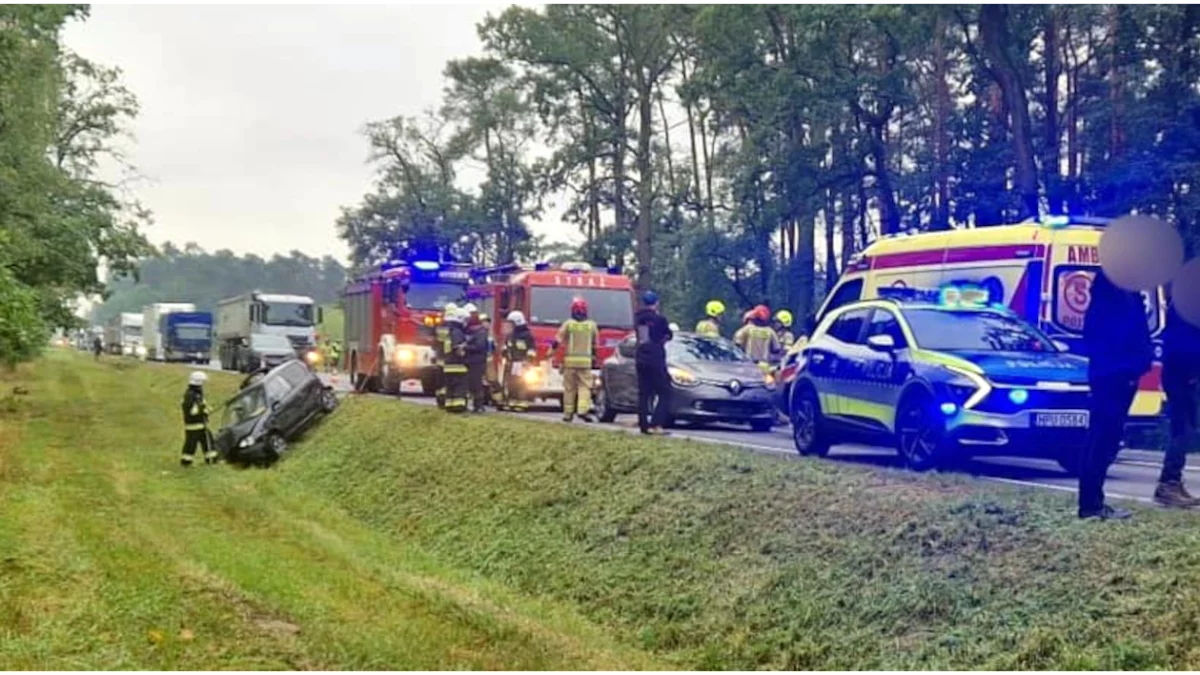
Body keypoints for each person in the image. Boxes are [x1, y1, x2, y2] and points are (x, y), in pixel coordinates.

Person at [1079, 269, 1153, 520]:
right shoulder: (1112, 291)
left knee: (1105, 437)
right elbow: (1109, 335)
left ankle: (1093, 502)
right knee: (1103, 437)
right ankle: (1091, 504)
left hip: (1117, 373)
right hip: (1114, 375)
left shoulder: (1122, 290)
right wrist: (1130, 366)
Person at [1156, 285, 1200, 507]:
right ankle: (1168, 483)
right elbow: (1185, 344)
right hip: (1181, 373)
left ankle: (1173, 481)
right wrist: (1191, 370)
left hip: (1182, 372)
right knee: (1182, 428)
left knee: (1186, 427)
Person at [553, 297, 599, 422]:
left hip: (570, 363)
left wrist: (550, 353)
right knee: (585, 387)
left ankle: (568, 414)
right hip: (585, 363)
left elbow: (557, 341)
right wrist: (595, 359)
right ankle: (582, 410)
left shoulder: (568, 324)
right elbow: (595, 345)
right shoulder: (591, 326)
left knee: (569, 388)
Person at [635, 290, 673, 435]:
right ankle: (657, 423)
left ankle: (643, 425)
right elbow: (668, 335)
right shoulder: (660, 319)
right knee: (665, 391)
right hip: (656, 358)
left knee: (644, 393)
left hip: (640, 358)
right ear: (656, 303)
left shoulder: (638, 318)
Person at [501, 310, 537, 411]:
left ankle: (521, 402)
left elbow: (532, 349)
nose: (509, 326)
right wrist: (504, 352)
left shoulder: (526, 335)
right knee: (511, 383)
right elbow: (507, 346)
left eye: (511, 323)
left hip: (521, 363)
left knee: (521, 383)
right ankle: (511, 401)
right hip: (511, 362)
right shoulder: (511, 335)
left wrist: (528, 360)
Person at [181, 371, 219, 467]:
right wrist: (202, 409)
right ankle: (186, 462)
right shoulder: (190, 395)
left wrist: (206, 410)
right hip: (194, 425)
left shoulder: (196, 394)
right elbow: (193, 411)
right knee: (191, 445)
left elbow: (201, 407)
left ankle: (211, 460)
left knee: (208, 441)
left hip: (201, 424)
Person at [734, 305, 780, 371]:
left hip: (748, 364)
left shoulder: (747, 329)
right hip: (764, 366)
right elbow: (776, 349)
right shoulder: (770, 332)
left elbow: (737, 344)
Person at [442, 306, 469, 413]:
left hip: (448, 365)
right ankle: (458, 407)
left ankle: (449, 406)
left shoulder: (450, 331)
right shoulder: (457, 332)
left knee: (450, 388)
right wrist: (465, 353)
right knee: (459, 387)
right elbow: (458, 349)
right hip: (458, 366)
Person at [464, 303, 489, 413]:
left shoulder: (480, 332)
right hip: (471, 361)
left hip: (477, 362)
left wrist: (466, 347)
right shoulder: (471, 331)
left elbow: (479, 346)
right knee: (471, 384)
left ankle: (479, 406)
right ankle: (475, 405)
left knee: (476, 384)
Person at [433, 302, 458, 408]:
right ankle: (446, 400)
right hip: (450, 359)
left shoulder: (440, 326)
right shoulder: (456, 328)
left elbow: (436, 342)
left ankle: (440, 401)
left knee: (440, 382)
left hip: (440, 358)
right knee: (450, 382)